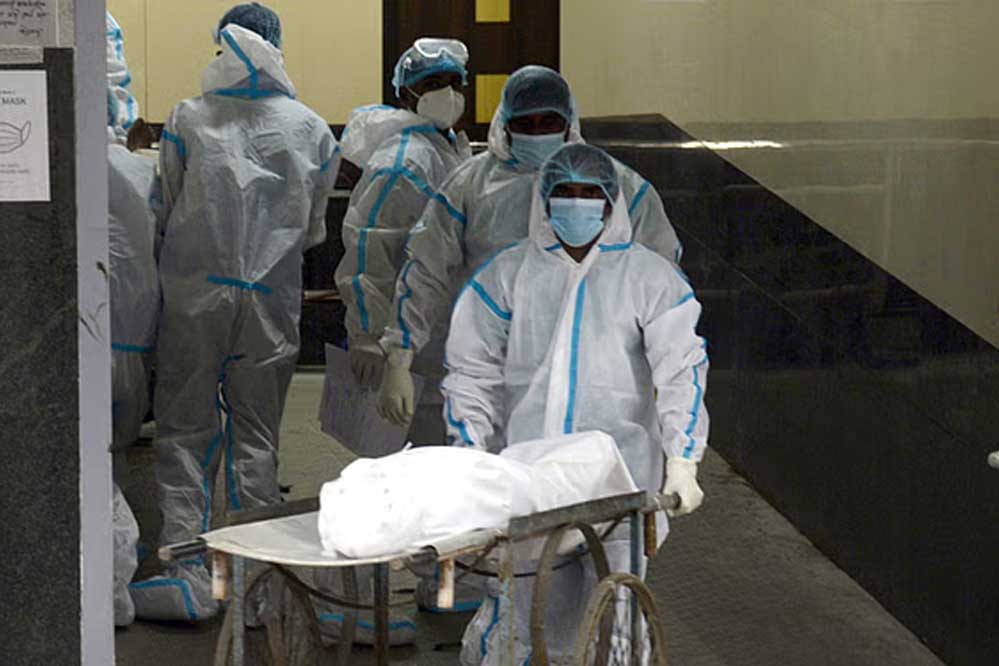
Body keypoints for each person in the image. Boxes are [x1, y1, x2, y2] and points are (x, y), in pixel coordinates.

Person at [441, 144, 708, 664]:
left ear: (611, 202)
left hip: (620, 482)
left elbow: (682, 371)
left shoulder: (650, 279)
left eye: (590, 193)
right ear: (543, 200)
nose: (577, 203)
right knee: (525, 618)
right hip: (531, 477)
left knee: (619, 619)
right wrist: (469, 453)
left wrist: (683, 459)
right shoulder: (507, 274)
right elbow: (471, 371)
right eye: (565, 192)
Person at [129, 3, 340, 622]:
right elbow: (313, 227)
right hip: (271, 298)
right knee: (257, 434)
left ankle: (188, 570)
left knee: (185, 430)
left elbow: (165, 205)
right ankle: (257, 577)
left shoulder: (188, 117)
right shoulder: (311, 129)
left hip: (195, 294)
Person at [378, 65, 682, 433]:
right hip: (495, 365)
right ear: (505, 124)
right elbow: (426, 269)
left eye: (548, 122)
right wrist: (400, 353)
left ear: (568, 123)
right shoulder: (470, 186)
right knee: (493, 461)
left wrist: (664, 365)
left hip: (596, 370)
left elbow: (662, 280)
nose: (537, 133)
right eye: (526, 124)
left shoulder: (620, 187)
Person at [334, 38, 472, 447]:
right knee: (409, 450)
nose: (446, 93)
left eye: (453, 82)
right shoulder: (404, 162)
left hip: (437, 329)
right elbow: (367, 249)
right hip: (406, 334)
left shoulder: (446, 149)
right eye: (432, 83)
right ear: (406, 92)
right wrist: (368, 333)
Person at [106, 10, 149, 627]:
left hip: (94, 345)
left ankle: (106, 589)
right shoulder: (137, 172)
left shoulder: (70, 170)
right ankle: (110, 588)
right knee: (106, 457)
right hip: (130, 352)